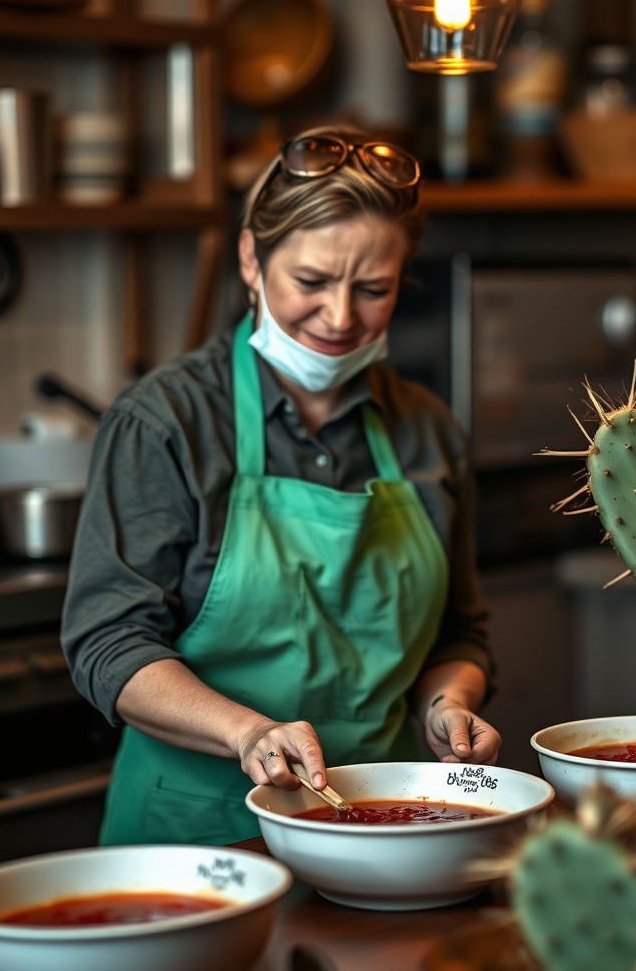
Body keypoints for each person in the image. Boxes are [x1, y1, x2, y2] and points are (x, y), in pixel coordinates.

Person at [62, 127, 500, 846]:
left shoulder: (429, 430)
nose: (339, 317)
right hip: (197, 831)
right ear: (251, 258)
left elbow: (461, 633)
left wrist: (447, 705)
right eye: (311, 281)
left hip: (382, 824)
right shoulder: (164, 423)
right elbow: (109, 644)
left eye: (373, 289)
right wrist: (247, 732)